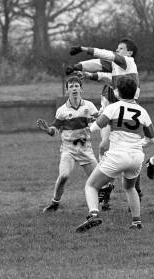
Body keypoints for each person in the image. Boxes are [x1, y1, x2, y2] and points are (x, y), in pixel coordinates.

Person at [67, 38, 141, 208]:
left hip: (127, 112)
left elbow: (105, 55)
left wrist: (83, 48)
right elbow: (99, 66)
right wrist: (79, 67)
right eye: (117, 48)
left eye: (120, 48)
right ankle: (106, 187)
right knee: (104, 146)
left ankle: (135, 189)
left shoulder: (127, 61)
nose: (117, 50)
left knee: (128, 152)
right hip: (115, 112)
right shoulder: (117, 67)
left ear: (129, 52)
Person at [75, 76, 154, 232]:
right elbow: (152, 139)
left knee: (91, 186)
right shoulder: (143, 111)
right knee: (129, 187)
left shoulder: (113, 107)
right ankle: (136, 222)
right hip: (136, 157)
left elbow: (96, 127)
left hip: (118, 155)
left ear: (117, 93)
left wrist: (88, 129)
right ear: (135, 93)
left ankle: (93, 214)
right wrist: (139, 144)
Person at [37, 76, 99, 213]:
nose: (74, 88)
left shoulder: (89, 106)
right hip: (68, 149)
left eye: (76, 86)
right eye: (71, 86)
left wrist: (97, 120)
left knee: (100, 179)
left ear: (81, 89)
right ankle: (55, 203)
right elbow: (54, 130)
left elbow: (99, 121)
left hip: (85, 148)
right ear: (67, 91)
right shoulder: (62, 110)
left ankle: (104, 201)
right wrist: (48, 130)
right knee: (64, 176)